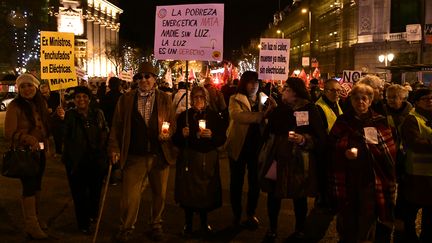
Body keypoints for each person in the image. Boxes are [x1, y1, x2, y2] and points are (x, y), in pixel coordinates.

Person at [108, 62, 177, 242]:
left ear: (155, 79)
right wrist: (114, 147)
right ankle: (126, 228)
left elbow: (172, 122)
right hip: (134, 155)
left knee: (159, 194)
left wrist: (168, 133)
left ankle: (156, 224)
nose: (144, 80)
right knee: (129, 197)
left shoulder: (165, 98)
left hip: (159, 154)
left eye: (148, 76)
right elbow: (116, 125)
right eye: (141, 77)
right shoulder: (126, 99)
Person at [329, 83, 397, 243]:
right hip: (347, 178)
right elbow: (331, 144)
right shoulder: (343, 120)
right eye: (356, 98)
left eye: (364, 98)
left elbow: (389, 150)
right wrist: (343, 151)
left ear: (370, 100)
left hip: (371, 178)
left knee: (367, 216)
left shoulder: (379, 121)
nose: (360, 102)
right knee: (347, 215)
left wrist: (371, 150)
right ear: (351, 100)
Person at [261, 77, 326, 241]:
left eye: (287, 89)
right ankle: (272, 228)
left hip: (299, 159)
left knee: (300, 195)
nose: (283, 91)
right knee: (273, 194)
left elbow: (320, 137)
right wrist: (267, 116)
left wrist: (304, 140)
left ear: (295, 92)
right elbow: (267, 133)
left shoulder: (310, 109)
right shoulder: (280, 108)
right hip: (277, 158)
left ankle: (300, 229)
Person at [225, 71, 276, 229]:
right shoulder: (235, 98)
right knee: (236, 183)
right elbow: (238, 116)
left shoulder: (263, 98)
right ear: (243, 83)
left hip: (257, 148)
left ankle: (250, 213)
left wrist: (274, 106)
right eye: (250, 82)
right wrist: (261, 115)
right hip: (239, 146)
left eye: (256, 82)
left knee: (255, 183)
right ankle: (236, 214)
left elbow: (273, 114)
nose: (254, 85)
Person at [172, 86, 226, 237]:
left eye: (201, 97)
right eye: (195, 97)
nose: (198, 100)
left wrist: (212, 136)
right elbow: (175, 140)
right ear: (191, 99)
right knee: (188, 192)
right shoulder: (185, 116)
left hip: (207, 158)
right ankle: (188, 224)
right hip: (190, 158)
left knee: (205, 192)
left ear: (206, 98)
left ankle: (204, 223)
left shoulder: (214, 116)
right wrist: (182, 135)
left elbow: (222, 138)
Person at [56, 86, 109, 234]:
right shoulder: (69, 115)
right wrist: (60, 119)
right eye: (78, 97)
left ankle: (92, 214)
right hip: (75, 161)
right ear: (74, 99)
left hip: (96, 160)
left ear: (89, 99)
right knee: (79, 194)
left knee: (95, 191)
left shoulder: (98, 113)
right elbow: (62, 135)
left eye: (84, 97)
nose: (81, 99)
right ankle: (83, 223)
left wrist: (106, 150)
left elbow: (105, 130)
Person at [4, 74, 50, 239]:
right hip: (25, 154)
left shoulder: (41, 104)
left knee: (37, 186)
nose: (26, 89)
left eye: (29, 86)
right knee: (29, 187)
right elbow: (8, 133)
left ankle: (36, 219)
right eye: (22, 87)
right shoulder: (14, 106)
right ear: (18, 89)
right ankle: (31, 225)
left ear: (36, 87)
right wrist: (27, 138)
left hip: (40, 152)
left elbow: (45, 128)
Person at [400, 88, 432, 242]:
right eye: (425, 99)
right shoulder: (412, 119)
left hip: (430, 175)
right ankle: (409, 237)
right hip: (417, 175)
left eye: (431, 98)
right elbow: (416, 144)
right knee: (411, 210)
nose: (430, 101)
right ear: (417, 102)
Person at [315, 79, 343, 208]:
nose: (336, 93)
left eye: (338, 90)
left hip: (337, 148)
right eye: (333, 90)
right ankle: (322, 201)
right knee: (324, 177)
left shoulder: (337, 104)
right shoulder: (318, 107)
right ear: (325, 91)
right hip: (325, 149)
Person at [39, 83, 63, 156]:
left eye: (46, 92)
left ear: (49, 90)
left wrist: (53, 109)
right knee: (42, 135)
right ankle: (42, 150)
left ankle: (58, 151)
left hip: (55, 119)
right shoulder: (40, 98)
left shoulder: (55, 96)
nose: (44, 94)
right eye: (42, 93)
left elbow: (59, 105)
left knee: (57, 135)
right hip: (44, 119)